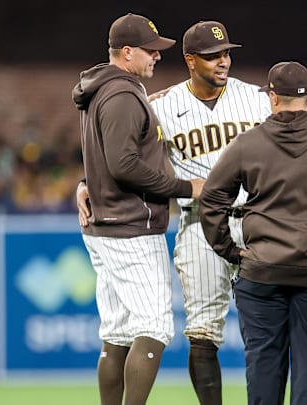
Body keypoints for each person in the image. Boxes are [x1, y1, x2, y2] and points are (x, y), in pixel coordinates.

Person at [77, 20, 271, 405]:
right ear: (190, 60)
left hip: (257, 221)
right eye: (213, 55)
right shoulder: (158, 104)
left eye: (227, 53)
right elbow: (121, 147)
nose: (223, 61)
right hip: (200, 222)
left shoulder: (258, 99)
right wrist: (87, 180)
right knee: (200, 332)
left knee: (266, 330)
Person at [198, 61, 307, 405]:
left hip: (262, 271)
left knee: (264, 364)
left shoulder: (247, 144)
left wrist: (229, 250)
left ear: (271, 97)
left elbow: (211, 198)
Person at [71, 13, 203, 405]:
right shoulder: (123, 94)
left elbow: (106, 157)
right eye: (150, 50)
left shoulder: (100, 89)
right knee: (154, 327)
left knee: (117, 332)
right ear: (126, 52)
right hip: (131, 225)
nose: (157, 56)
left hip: (105, 223)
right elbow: (123, 164)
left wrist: (85, 182)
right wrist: (185, 188)